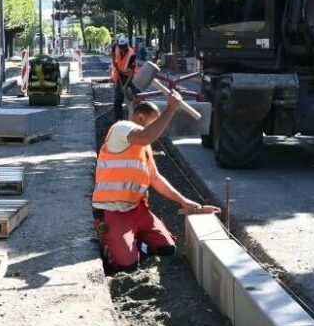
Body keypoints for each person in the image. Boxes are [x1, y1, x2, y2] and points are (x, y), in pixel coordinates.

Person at [93, 91, 220, 272]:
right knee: (126, 265)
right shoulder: (121, 129)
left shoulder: (144, 147)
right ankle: (113, 243)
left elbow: (155, 178)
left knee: (167, 248)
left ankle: (132, 241)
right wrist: (171, 107)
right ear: (140, 117)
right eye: (155, 122)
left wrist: (183, 200)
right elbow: (146, 135)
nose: (160, 129)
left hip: (137, 211)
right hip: (111, 212)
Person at [110, 34, 137, 118]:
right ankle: (118, 118)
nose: (121, 49)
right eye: (120, 47)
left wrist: (125, 85)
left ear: (127, 45)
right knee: (118, 98)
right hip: (120, 74)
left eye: (123, 47)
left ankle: (136, 114)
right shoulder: (116, 46)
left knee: (136, 94)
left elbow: (131, 73)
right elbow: (113, 51)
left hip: (130, 76)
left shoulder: (132, 55)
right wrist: (114, 60)